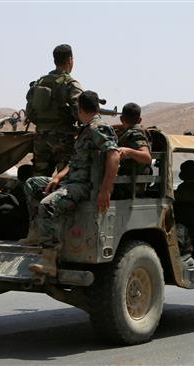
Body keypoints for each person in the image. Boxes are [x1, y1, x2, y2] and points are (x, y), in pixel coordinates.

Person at [21, 90, 120, 277]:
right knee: (32, 185)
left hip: (84, 186)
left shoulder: (97, 128)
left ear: (79, 109)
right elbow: (75, 161)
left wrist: (105, 190)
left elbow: (113, 155)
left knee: (47, 205)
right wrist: (58, 177)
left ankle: (49, 260)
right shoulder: (85, 129)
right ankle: (35, 233)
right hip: (71, 180)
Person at [25, 44, 84, 177]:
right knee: (65, 179)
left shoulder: (39, 82)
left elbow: (30, 112)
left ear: (54, 60)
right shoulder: (70, 83)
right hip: (62, 139)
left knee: (39, 179)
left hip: (40, 138)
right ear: (70, 60)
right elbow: (80, 111)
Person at [112, 102, 152, 199]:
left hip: (127, 186)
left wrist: (128, 151)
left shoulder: (135, 134)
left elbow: (147, 157)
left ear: (121, 119)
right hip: (129, 184)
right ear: (139, 120)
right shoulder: (134, 130)